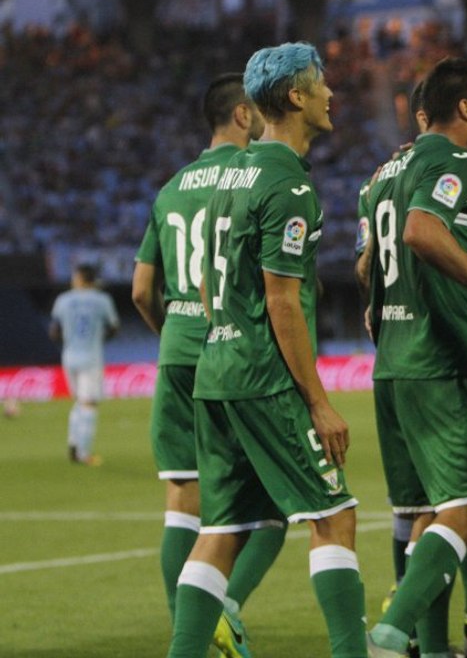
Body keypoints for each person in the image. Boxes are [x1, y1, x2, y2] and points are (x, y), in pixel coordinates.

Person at [166, 42, 367, 658]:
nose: (332, 93)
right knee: (334, 518)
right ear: (296, 98)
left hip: (215, 372)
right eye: (321, 83)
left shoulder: (229, 175)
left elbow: (204, 281)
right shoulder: (290, 187)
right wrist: (319, 400)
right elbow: (282, 303)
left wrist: (227, 331)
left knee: (221, 531)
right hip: (265, 377)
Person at [365, 56, 467, 658]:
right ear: (465, 108)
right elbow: (419, 232)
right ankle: (389, 632)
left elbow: (368, 264)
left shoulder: (386, 169)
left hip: (392, 361)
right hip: (445, 360)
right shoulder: (453, 160)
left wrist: (381, 310)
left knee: (421, 515)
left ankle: (434, 651)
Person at [132, 72, 285, 657]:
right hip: (236, 352)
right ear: (244, 114)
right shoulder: (255, 178)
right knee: (271, 500)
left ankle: (187, 633)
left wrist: (173, 329)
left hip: (177, 350)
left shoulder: (170, 188)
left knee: (182, 501)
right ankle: (225, 610)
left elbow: (143, 289)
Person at [49, 263, 119, 466]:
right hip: (91, 357)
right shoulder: (102, 300)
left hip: (69, 356)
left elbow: (54, 331)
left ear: (79, 278)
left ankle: (73, 443)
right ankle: (83, 453)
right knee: (89, 404)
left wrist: (70, 340)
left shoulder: (63, 299)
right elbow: (114, 327)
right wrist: (99, 338)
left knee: (79, 401)